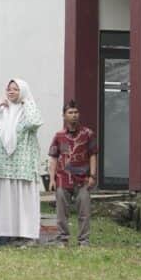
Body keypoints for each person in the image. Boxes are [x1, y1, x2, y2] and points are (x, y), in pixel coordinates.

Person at [0, 78, 43, 243]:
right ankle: (4, 234)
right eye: (9, 89)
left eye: (15, 89)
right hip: (3, 164)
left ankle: (26, 235)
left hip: (23, 164)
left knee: (23, 200)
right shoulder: (3, 111)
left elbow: (34, 122)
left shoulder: (27, 110)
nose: (11, 92)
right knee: (5, 201)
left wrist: (26, 102)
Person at [47, 100, 98, 247]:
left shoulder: (88, 134)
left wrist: (93, 176)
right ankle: (62, 239)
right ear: (64, 116)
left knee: (84, 211)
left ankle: (84, 241)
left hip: (83, 179)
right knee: (62, 212)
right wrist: (51, 179)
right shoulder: (59, 136)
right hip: (63, 179)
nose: (74, 115)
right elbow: (54, 158)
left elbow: (93, 155)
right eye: (70, 112)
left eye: (76, 112)